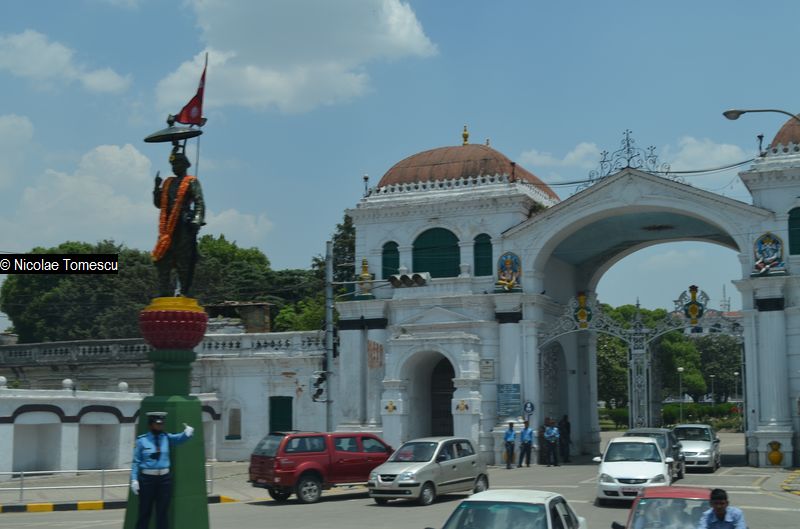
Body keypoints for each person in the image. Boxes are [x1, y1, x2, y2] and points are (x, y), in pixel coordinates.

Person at [152, 146, 206, 297]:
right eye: (173, 165)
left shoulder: (191, 182)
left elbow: (199, 202)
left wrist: (197, 219)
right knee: (163, 260)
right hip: (167, 228)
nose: (175, 167)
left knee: (184, 260)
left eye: (177, 164)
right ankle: (163, 292)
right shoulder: (168, 182)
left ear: (185, 165)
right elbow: (159, 204)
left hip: (183, 223)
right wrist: (156, 188)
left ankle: (184, 292)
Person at [130, 412, 195, 529]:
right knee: (145, 511)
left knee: (162, 512)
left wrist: (187, 433)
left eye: (162, 424)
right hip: (147, 480)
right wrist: (134, 480)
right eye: (157, 424)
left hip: (164, 480)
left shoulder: (166, 437)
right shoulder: (142, 441)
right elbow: (136, 462)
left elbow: (178, 439)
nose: (160, 426)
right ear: (150, 425)